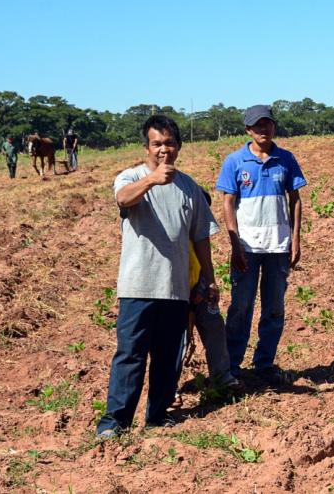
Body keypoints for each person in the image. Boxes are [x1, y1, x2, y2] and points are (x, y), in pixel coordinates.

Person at [96, 115, 219, 438]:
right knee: (130, 354)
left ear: (178, 146)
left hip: (175, 288)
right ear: (146, 147)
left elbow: (201, 238)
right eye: (157, 144)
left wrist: (209, 278)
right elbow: (122, 199)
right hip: (139, 285)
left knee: (167, 356)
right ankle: (115, 422)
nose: (164, 149)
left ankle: (158, 413)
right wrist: (152, 180)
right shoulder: (131, 177)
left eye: (169, 143)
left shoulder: (190, 187)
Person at [217, 105, 306, 385]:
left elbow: (296, 200)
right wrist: (234, 244)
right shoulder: (235, 162)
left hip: (278, 248)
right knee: (241, 307)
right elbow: (228, 203)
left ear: (274, 127)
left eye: (267, 124)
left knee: (274, 308)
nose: (263, 130)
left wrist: (296, 239)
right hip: (247, 248)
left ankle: (264, 363)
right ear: (248, 130)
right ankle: (232, 366)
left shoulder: (286, 159)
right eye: (257, 126)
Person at [174, 187, 243, 402]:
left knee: (214, 326)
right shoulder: (174, 234)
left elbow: (204, 261)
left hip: (200, 285)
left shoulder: (199, 235)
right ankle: (168, 388)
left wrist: (207, 285)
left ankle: (222, 377)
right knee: (176, 338)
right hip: (175, 290)